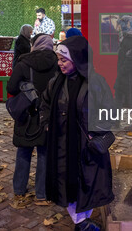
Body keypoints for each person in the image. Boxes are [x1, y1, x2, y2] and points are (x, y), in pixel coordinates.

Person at [40, 36, 114, 231]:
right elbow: (45, 104)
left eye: (64, 60)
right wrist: (47, 123)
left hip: (86, 146)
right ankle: (81, 223)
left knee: (88, 183)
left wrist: (97, 132)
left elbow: (110, 111)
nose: (59, 63)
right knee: (67, 184)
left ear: (77, 59)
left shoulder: (96, 83)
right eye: (58, 59)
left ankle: (82, 220)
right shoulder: (57, 82)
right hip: (63, 145)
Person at [6, 34, 58, 204]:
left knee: (23, 150)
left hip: (26, 113)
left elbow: (11, 87)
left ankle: (19, 190)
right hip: (48, 114)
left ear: (34, 44)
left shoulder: (24, 63)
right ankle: (41, 194)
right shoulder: (57, 63)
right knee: (44, 153)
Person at [114, 15, 132, 130]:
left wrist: (123, 70)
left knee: (131, 98)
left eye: (121, 24)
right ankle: (116, 122)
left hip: (128, 75)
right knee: (120, 97)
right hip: (126, 74)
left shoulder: (130, 38)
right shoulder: (129, 37)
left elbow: (131, 57)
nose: (119, 27)